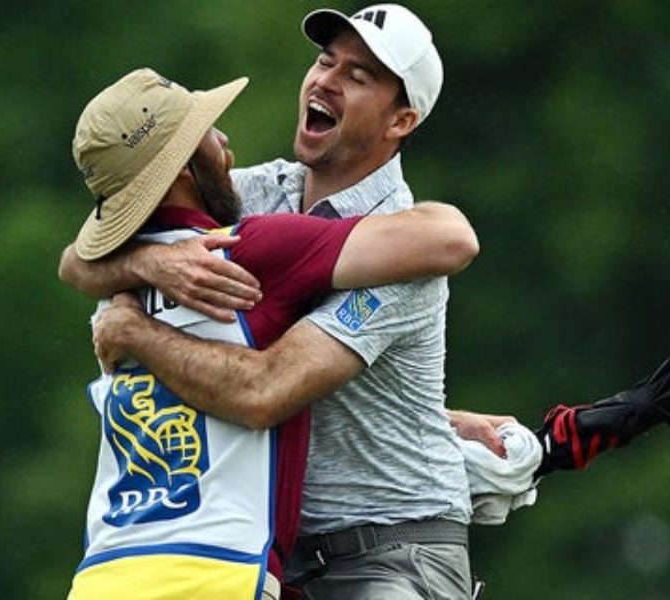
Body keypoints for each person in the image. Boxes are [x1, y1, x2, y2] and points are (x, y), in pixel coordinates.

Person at [62, 5, 499, 599]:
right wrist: (151, 262)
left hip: (394, 547)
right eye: (325, 62)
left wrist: (133, 330)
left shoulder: (408, 249)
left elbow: (266, 389)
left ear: (401, 120)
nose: (325, 81)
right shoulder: (256, 193)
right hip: (278, 556)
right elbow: (81, 255)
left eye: (357, 76)